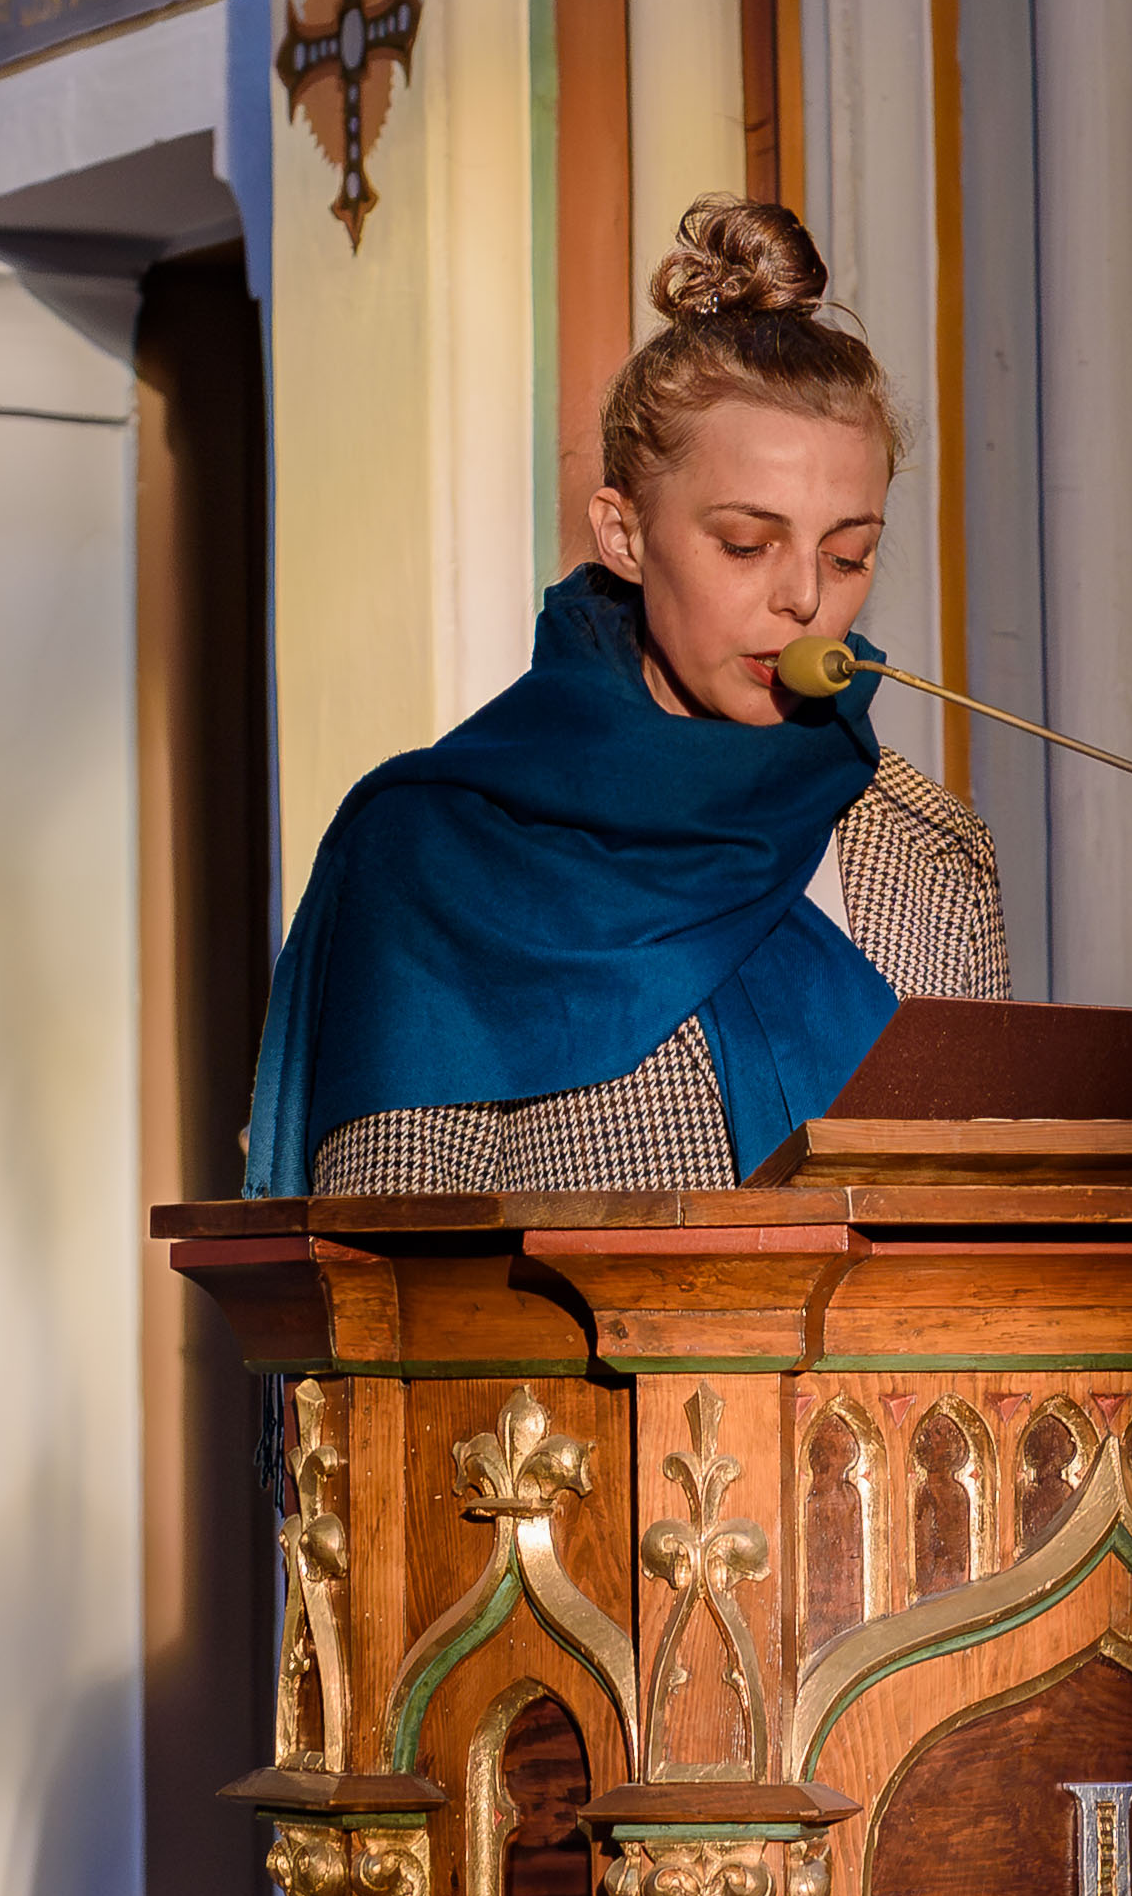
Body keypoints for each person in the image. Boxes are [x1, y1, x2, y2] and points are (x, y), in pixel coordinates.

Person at [246, 195, 1006, 1195]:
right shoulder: (436, 854)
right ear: (624, 535)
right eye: (746, 543)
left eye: (847, 553)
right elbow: (388, 1263)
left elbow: (982, 1229)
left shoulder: (931, 847)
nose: (804, 597)